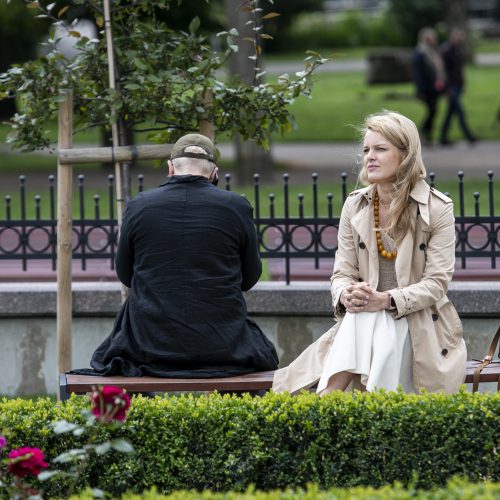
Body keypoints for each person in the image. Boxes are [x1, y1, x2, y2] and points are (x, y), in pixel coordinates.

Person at [272, 111, 466, 395]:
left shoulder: (436, 208)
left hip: (419, 325)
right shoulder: (356, 206)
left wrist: (386, 300)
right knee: (366, 315)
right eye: (366, 150)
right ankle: (364, 405)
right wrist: (346, 293)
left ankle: (328, 397)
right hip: (361, 323)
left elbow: (436, 283)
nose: (369, 157)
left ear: (406, 154)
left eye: (380, 149)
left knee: (373, 318)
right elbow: (343, 273)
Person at [85, 133, 279, 377]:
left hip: (149, 345)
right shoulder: (236, 206)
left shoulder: (139, 205)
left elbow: (125, 274)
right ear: (213, 173)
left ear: (170, 168)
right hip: (224, 345)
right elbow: (250, 278)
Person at [439, 28, 477, 146]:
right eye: (460, 36)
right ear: (454, 36)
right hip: (451, 87)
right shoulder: (447, 50)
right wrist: (447, 88)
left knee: (450, 113)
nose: (462, 39)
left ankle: (443, 138)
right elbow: (444, 71)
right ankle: (470, 136)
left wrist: (462, 84)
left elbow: (459, 70)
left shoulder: (458, 50)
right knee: (460, 112)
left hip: (458, 85)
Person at [412, 27, 446, 145]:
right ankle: (420, 133)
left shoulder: (433, 52)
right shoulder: (420, 53)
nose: (433, 40)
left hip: (434, 88)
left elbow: (437, 70)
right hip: (426, 89)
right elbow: (418, 75)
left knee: (434, 111)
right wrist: (420, 90)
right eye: (430, 38)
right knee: (432, 111)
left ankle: (428, 136)